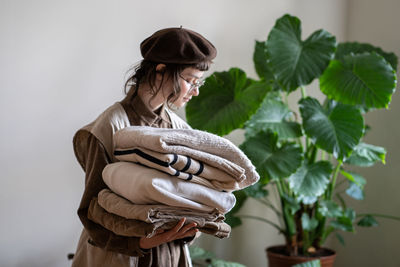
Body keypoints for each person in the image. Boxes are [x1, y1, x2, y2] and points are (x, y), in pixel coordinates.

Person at [71, 27, 217, 267]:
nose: (196, 91)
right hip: (119, 256)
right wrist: (139, 243)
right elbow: (91, 209)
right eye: (190, 81)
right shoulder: (107, 128)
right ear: (160, 71)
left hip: (171, 255)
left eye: (198, 83)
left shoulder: (182, 130)